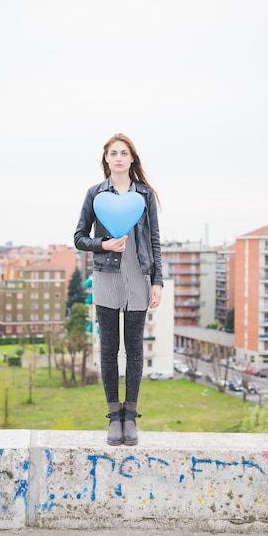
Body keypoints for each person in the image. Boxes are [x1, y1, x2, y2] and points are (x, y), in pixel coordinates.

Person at [74, 133, 163, 446]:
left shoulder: (145, 196)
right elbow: (79, 237)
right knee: (109, 349)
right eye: (113, 153)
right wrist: (104, 244)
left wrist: (158, 281)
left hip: (139, 278)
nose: (119, 158)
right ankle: (114, 416)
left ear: (132, 158)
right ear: (106, 159)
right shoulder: (95, 194)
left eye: (124, 152)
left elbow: (154, 241)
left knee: (135, 349)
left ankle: (131, 417)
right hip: (106, 278)